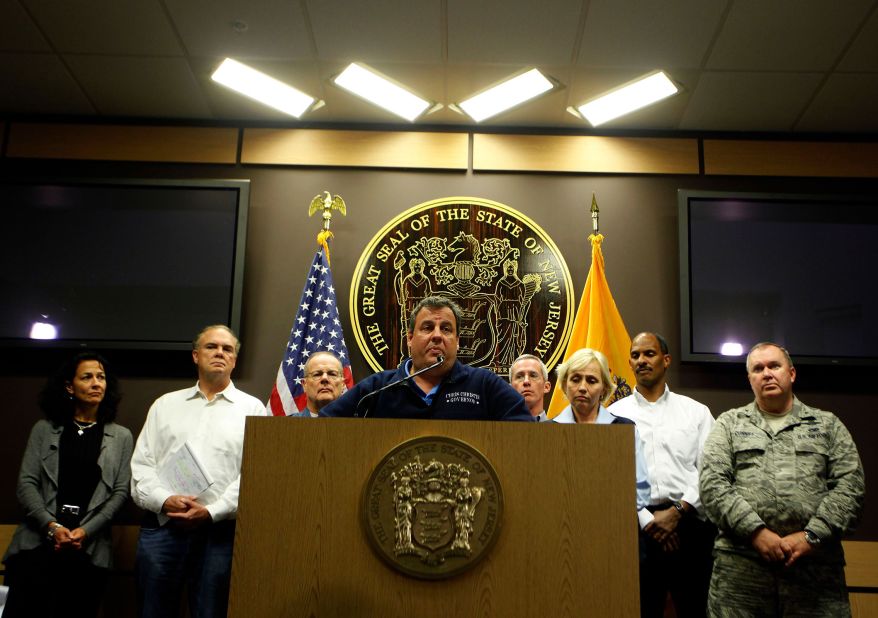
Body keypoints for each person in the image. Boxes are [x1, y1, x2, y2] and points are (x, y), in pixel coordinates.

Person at [699, 342, 865, 617]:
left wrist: (811, 536)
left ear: (791, 373)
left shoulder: (827, 425)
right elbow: (712, 484)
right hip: (742, 577)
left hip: (816, 577)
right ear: (750, 379)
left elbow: (851, 488)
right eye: (758, 369)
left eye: (774, 366)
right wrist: (756, 533)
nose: (766, 373)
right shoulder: (728, 424)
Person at [130, 325, 268, 618]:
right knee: (152, 611)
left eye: (227, 349)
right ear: (195, 355)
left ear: (234, 360)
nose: (220, 352)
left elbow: (254, 476)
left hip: (220, 533)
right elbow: (142, 467)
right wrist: (165, 500)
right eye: (211, 347)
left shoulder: (253, 409)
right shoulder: (164, 405)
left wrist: (211, 511)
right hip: (163, 528)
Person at [2, 351, 133, 618]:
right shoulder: (44, 429)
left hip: (89, 550)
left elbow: (120, 492)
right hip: (37, 545)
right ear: (70, 386)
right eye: (87, 377)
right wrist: (52, 526)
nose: (97, 383)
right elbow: (26, 483)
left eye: (101, 377)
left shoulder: (121, 436)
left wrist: (85, 531)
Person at [609, 332, 716, 618]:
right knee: (639, 610)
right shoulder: (613, 416)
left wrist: (678, 511)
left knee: (697, 609)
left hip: (691, 526)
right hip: (636, 530)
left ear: (666, 360)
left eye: (649, 354)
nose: (642, 360)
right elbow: (611, 477)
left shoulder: (696, 413)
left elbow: (711, 470)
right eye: (635, 355)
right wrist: (648, 520)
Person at [321, 295, 532, 420]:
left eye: (446, 329)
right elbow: (323, 427)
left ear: (457, 341)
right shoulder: (377, 389)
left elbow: (526, 434)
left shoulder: (485, 385)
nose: (437, 336)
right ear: (410, 339)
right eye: (428, 327)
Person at [552, 348, 651, 517]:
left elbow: (641, 492)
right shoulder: (548, 432)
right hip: (562, 526)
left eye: (591, 380)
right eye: (575, 379)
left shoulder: (624, 430)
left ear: (604, 389)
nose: (582, 387)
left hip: (613, 524)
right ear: (564, 385)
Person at [294, 351, 346, 417]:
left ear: (343, 384)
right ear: (304, 385)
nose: (324, 378)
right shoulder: (286, 425)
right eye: (317, 374)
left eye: (332, 374)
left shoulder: (358, 425)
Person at [509, 354, 551, 421]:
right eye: (519, 377)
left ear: (546, 387)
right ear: (510, 389)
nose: (526, 381)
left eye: (533, 376)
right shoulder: (496, 430)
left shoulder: (562, 430)